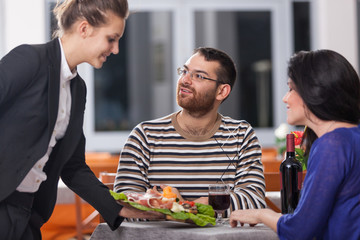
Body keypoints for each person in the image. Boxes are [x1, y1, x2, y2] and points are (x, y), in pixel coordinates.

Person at [0, 0, 162, 239]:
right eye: (111, 39)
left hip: (27, 214)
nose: (116, 49)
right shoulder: (29, 59)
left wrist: (121, 209)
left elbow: (73, 167)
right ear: (84, 29)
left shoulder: (77, 89)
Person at [114, 47, 266, 216]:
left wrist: (189, 206)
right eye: (185, 71)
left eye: (199, 76)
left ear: (222, 91)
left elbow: (254, 201)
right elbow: (124, 203)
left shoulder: (241, 136)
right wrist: (171, 207)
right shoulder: (145, 136)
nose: (185, 80)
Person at [229, 49, 360, 239]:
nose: (285, 98)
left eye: (291, 89)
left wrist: (261, 213)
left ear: (315, 90)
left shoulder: (332, 145)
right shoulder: (351, 137)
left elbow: (300, 230)